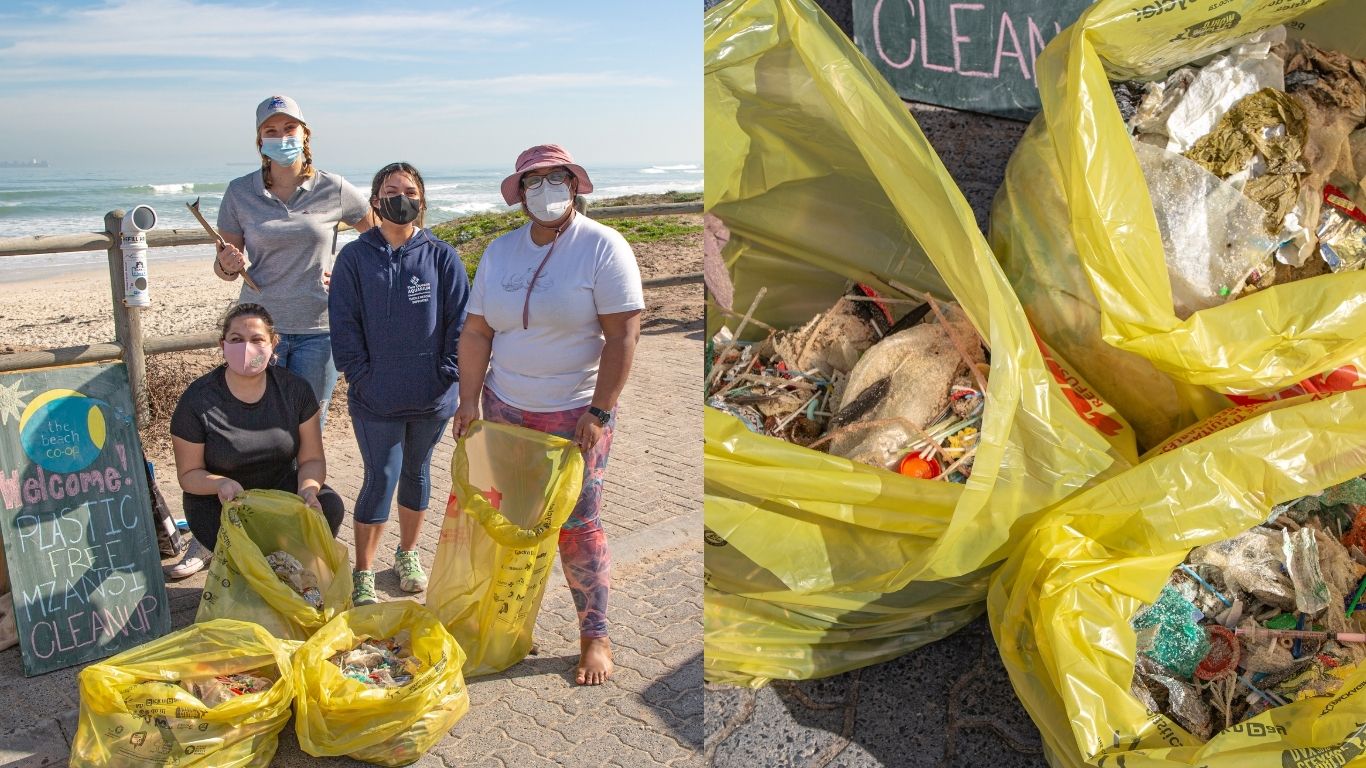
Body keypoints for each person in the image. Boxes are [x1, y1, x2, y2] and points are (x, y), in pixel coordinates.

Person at [452, 144, 643, 685]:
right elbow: (477, 331)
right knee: (508, 521)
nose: (545, 191)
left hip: (574, 416)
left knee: (577, 526)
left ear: (574, 184)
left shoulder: (603, 247)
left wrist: (600, 412)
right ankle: (508, 625)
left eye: (554, 179)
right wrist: (468, 403)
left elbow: (623, 334)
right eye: (532, 182)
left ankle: (595, 636)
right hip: (505, 408)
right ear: (519, 195)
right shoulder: (501, 252)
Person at [329, 162, 469, 606]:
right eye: (391, 190)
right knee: (381, 475)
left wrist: (447, 370)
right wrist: (361, 374)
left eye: (409, 190)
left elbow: (460, 322)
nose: (400, 197)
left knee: (418, 472)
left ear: (421, 201)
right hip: (375, 396)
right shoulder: (354, 256)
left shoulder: (441, 256)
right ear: (375, 201)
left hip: (432, 394)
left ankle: (408, 554)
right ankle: (364, 571)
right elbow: (343, 323)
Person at [212, 94, 374, 426]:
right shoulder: (239, 192)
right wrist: (226, 264)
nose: (282, 137)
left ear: (305, 134)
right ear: (260, 141)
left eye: (290, 127)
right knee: (259, 424)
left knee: (308, 427)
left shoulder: (334, 187)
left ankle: (305, 481)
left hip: (321, 330)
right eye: (271, 130)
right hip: (259, 330)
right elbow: (225, 266)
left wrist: (351, 275)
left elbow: (377, 239)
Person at [167, 303, 346, 578]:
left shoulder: (295, 390)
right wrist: (221, 484)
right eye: (236, 340)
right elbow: (189, 474)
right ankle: (242, 575)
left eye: (257, 339)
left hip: (280, 492)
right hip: (221, 502)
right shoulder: (197, 399)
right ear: (222, 345)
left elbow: (311, 459)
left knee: (330, 505)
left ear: (273, 343)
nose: (246, 348)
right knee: (244, 564)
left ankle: (293, 578)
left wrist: (308, 489)